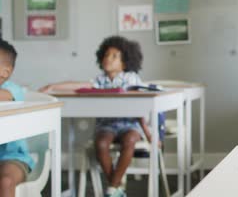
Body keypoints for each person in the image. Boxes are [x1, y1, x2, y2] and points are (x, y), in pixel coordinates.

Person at [40, 35, 161, 197]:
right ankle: (116, 186)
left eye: (114, 56)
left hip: (129, 125)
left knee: (130, 140)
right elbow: (79, 85)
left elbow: (140, 108)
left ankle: (112, 187)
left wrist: (148, 132)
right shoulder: (99, 80)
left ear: (125, 62)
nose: (108, 59)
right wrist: (53, 86)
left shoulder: (131, 78)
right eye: (106, 55)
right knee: (101, 143)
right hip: (107, 125)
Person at [0, 39, 35, 197]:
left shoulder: (13, 90)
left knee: (5, 181)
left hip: (13, 157)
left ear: (5, 72)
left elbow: (4, 96)